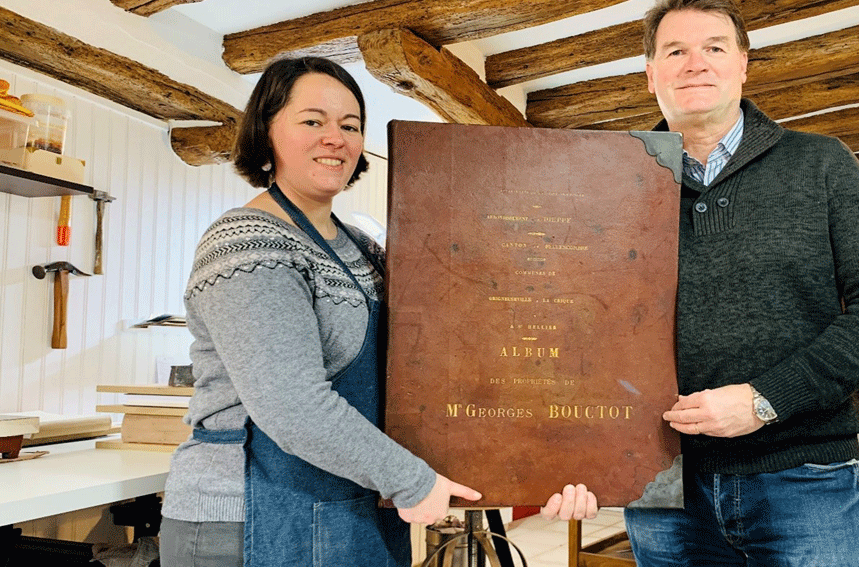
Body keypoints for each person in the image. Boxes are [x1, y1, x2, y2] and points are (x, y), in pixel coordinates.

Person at [159, 56, 596, 567]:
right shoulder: (247, 243)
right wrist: (413, 480)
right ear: (266, 132)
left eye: (350, 126)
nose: (335, 138)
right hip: (244, 521)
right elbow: (292, 407)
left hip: (356, 510)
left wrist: (545, 466)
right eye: (312, 121)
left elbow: (440, 367)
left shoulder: (364, 248)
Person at [623, 0, 859, 567]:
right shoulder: (617, 184)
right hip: (661, 485)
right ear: (649, 74)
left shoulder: (821, 164)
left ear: (742, 63)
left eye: (714, 46)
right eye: (675, 51)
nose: (695, 62)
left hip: (803, 478)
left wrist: (765, 400)